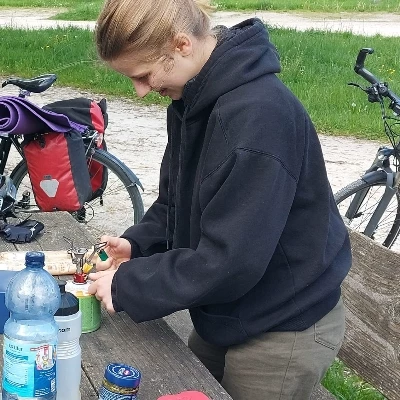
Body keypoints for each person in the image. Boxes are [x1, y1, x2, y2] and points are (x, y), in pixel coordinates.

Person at [88, 1, 352, 399]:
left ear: (181, 45)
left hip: (282, 319)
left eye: (143, 76)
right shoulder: (192, 99)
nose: (140, 92)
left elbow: (232, 260)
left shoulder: (259, 118)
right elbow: (177, 200)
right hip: (227, 308)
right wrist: (137, 244)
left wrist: (129, 283)